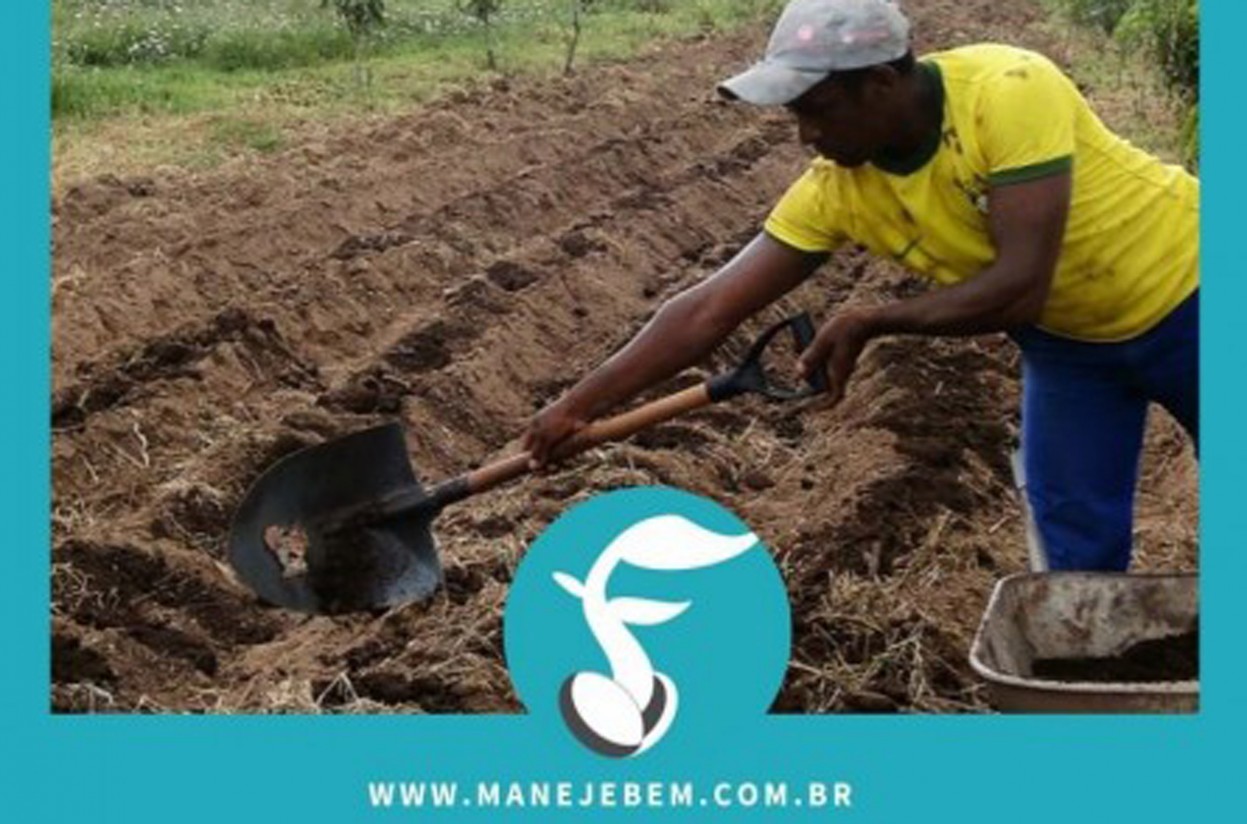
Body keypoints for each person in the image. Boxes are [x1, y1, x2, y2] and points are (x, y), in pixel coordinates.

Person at [521, 0, 1199, 572]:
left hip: (1196, 298)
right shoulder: (837, 190)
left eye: (816, 110)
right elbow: (708, 308)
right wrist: (578, 405)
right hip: (1069, 349)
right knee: (1074, 548)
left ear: (879, 81)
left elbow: (1018, 286)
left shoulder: (1007, 88)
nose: (805, 135)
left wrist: (873, 319)